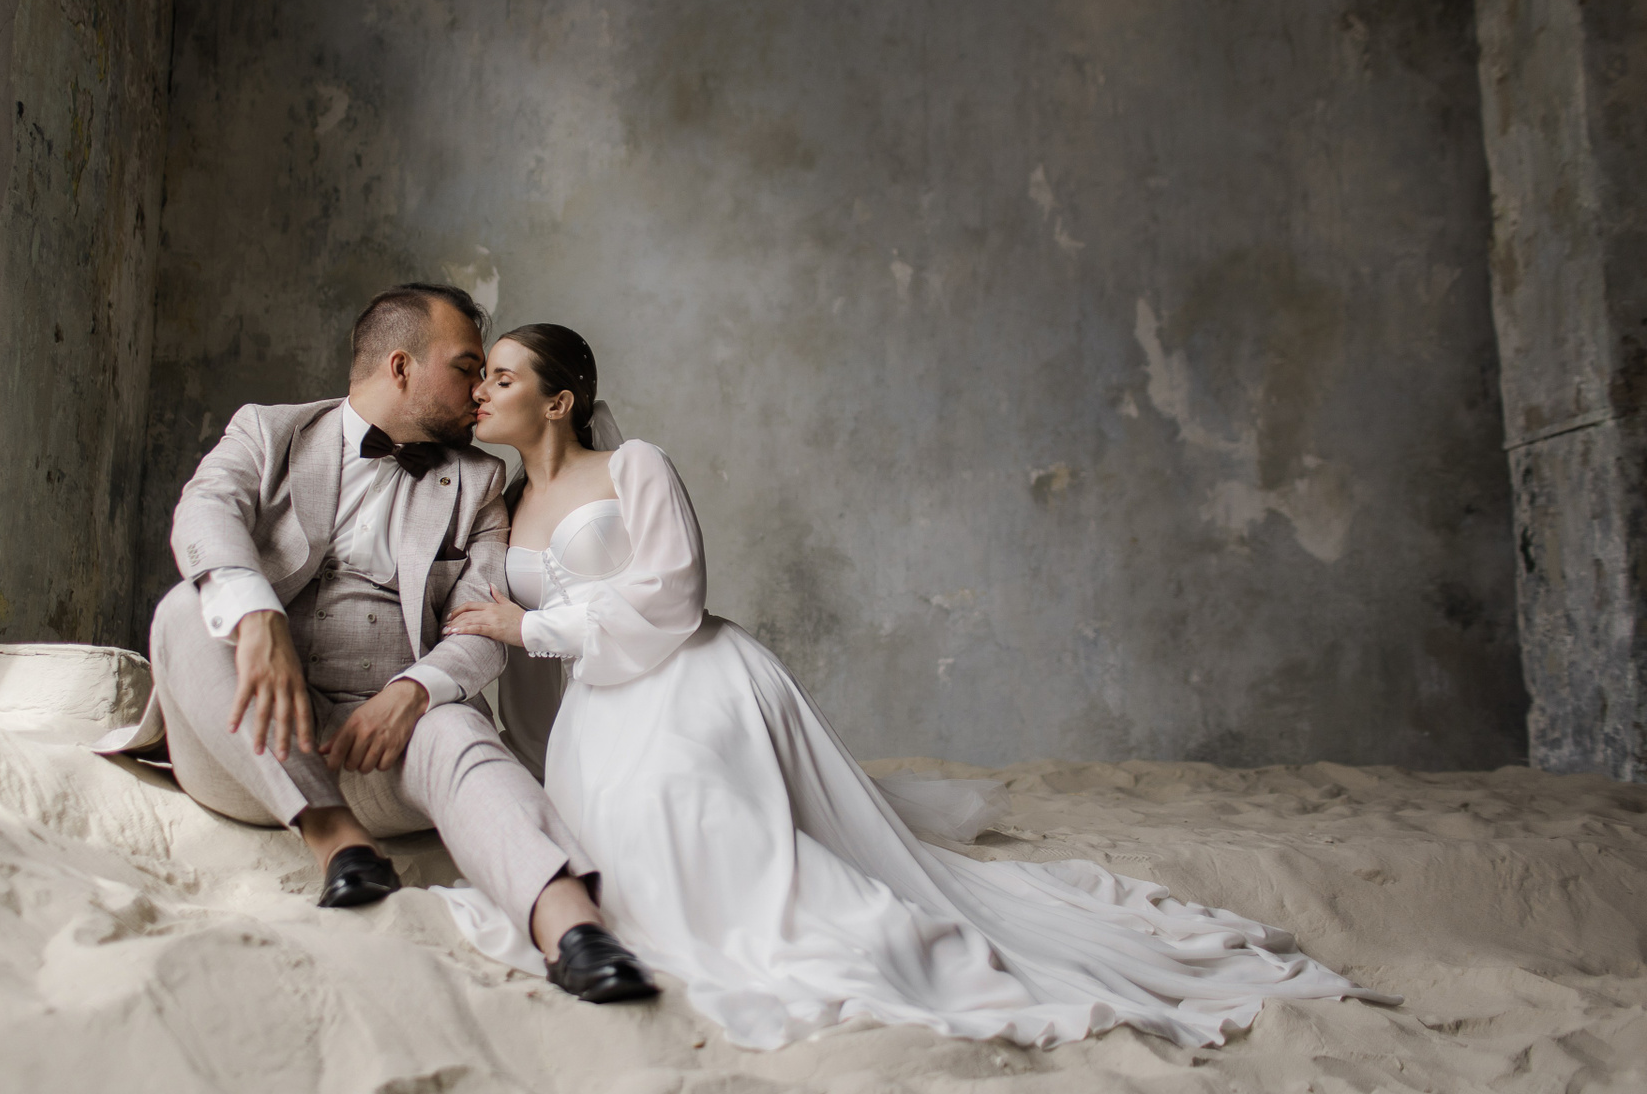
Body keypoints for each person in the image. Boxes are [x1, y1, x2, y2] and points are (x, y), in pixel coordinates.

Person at [439, 323, 1400, 1051]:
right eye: (482, 378)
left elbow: (674, 593)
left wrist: (537, 627)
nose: (483, 391)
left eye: (504, 378)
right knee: (622, 864)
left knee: (708, 829)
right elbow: (504, 632)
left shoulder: (635, 465)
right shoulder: (504, 502)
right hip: (595, 710)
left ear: (560, 400)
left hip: (691, 674)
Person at [96, 286, 656, 1003]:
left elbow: (484, 624)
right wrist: (258, 617)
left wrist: (412, 693)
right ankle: (339, 845)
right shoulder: (269, 431)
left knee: (460, 727)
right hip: (250, 749)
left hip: (388, 756)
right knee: (185, 609)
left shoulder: (479, 481)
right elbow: (205, 511)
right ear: (401, 367)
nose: (480, 390)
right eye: (466, 368)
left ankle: (573, 929)